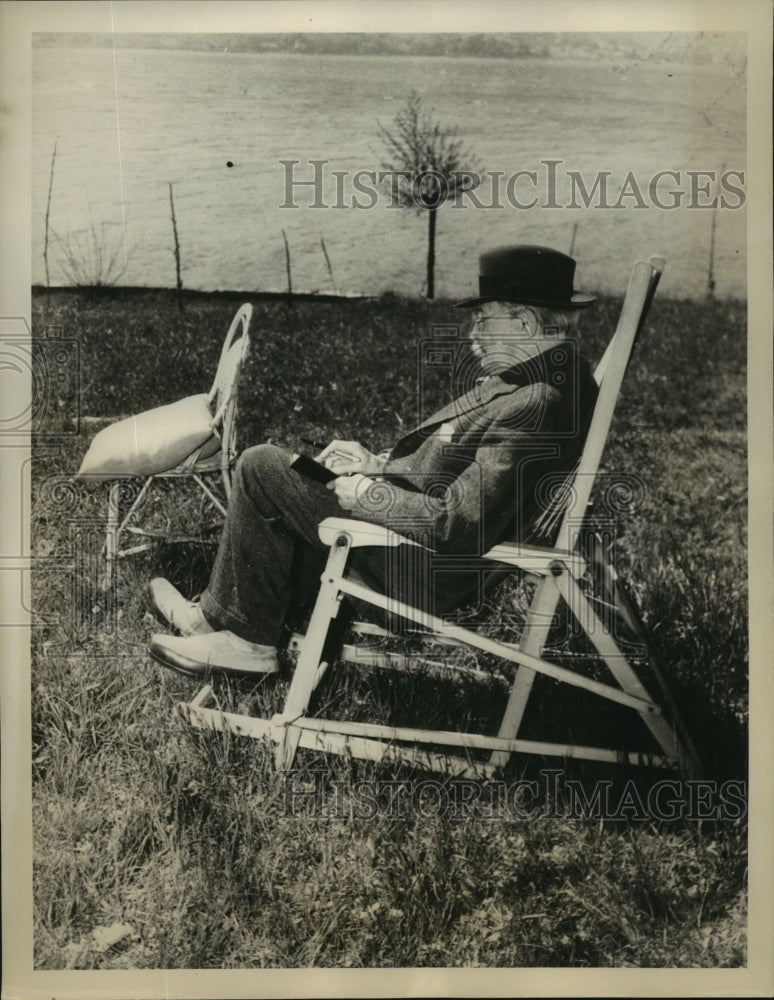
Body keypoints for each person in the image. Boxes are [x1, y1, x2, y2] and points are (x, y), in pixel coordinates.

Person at [148, 244, 598, 677]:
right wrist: (380, 465)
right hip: (418, 545)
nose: (473, 332)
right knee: (295, 472)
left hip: (425, 572)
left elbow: (460, 525)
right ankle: (215, 619)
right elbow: (459, 473)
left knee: (261, 466)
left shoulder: (534, 403)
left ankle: (247, 644)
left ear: (523, 323)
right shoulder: (548, 378)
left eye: (482, 318)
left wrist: (368, 493)